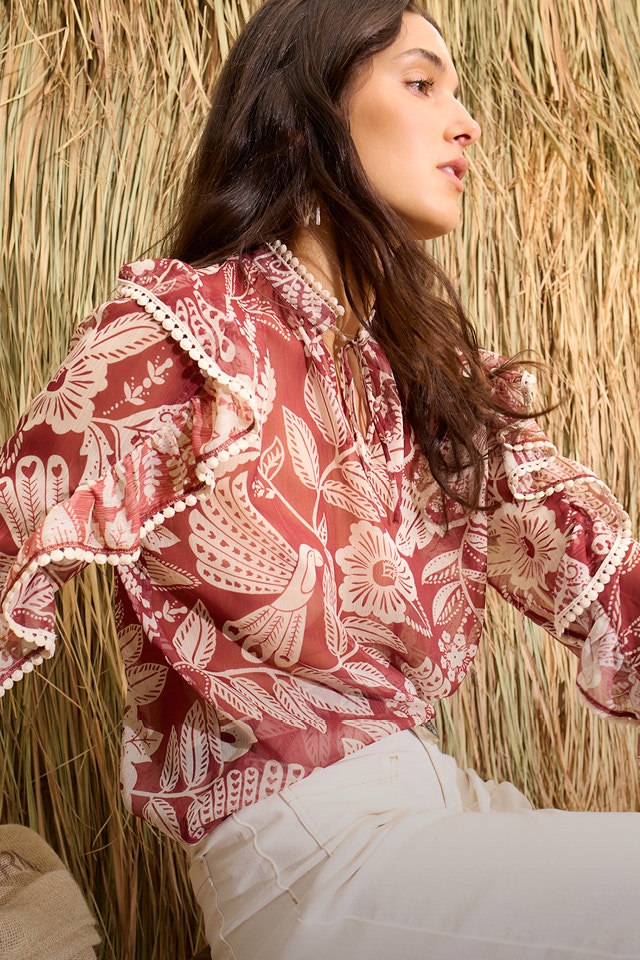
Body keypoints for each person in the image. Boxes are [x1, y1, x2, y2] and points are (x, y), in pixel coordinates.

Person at [1, 1, 639, 957]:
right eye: (421, 83)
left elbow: (603, 571)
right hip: (309, 856)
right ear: (307, 119)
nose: (465, 120)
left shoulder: (433, 384)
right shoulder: (184, 338)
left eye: (458, 92)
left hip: (442, 808)